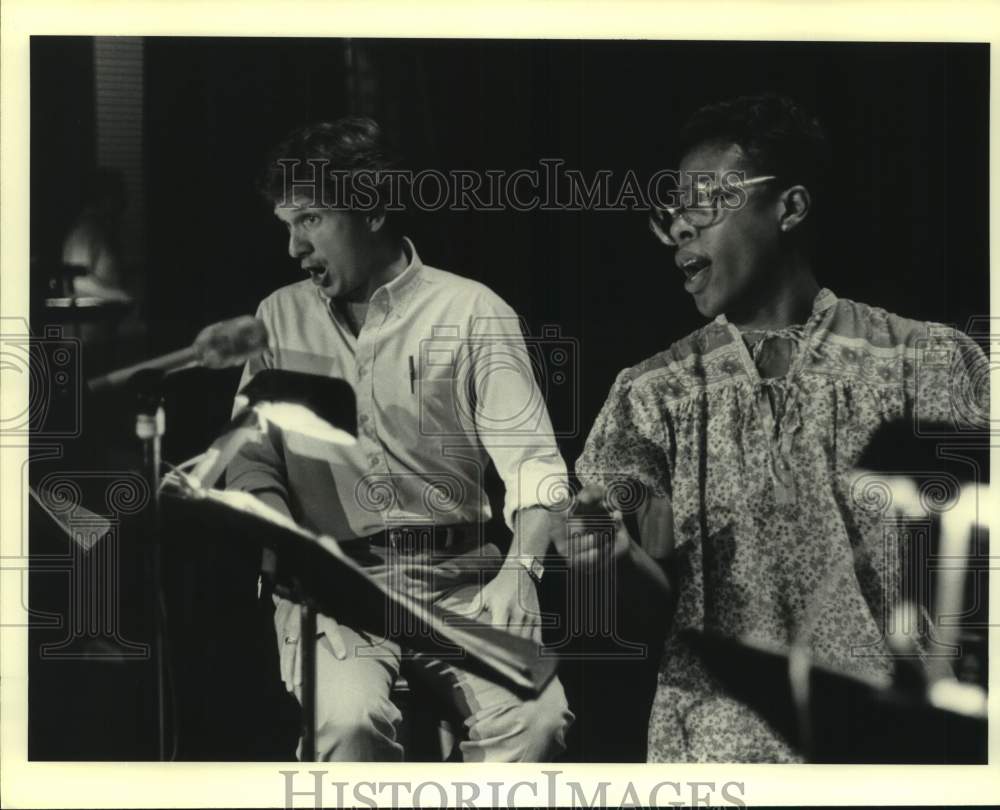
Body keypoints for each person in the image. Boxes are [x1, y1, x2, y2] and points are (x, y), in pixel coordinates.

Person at [572, 94, 989, 762]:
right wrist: (612, 558)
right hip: (716, 761)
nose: (681, 225)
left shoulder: (927, 363)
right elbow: (646, 616)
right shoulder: (654, 395)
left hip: (887, 760)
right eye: (672, 208)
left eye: (706, 200)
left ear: (789, 208)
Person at [226, 117, 573, 762]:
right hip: (336, 592)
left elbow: (535, 468)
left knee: (537, 724)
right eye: (287, 225)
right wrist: (288, 544)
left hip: (462, 585)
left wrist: (520, 572)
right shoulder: (278, 316)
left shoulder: (472, 312)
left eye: (311, 220)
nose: (296, 247)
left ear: (374, 209)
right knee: (349, 724)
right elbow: (251, 461)